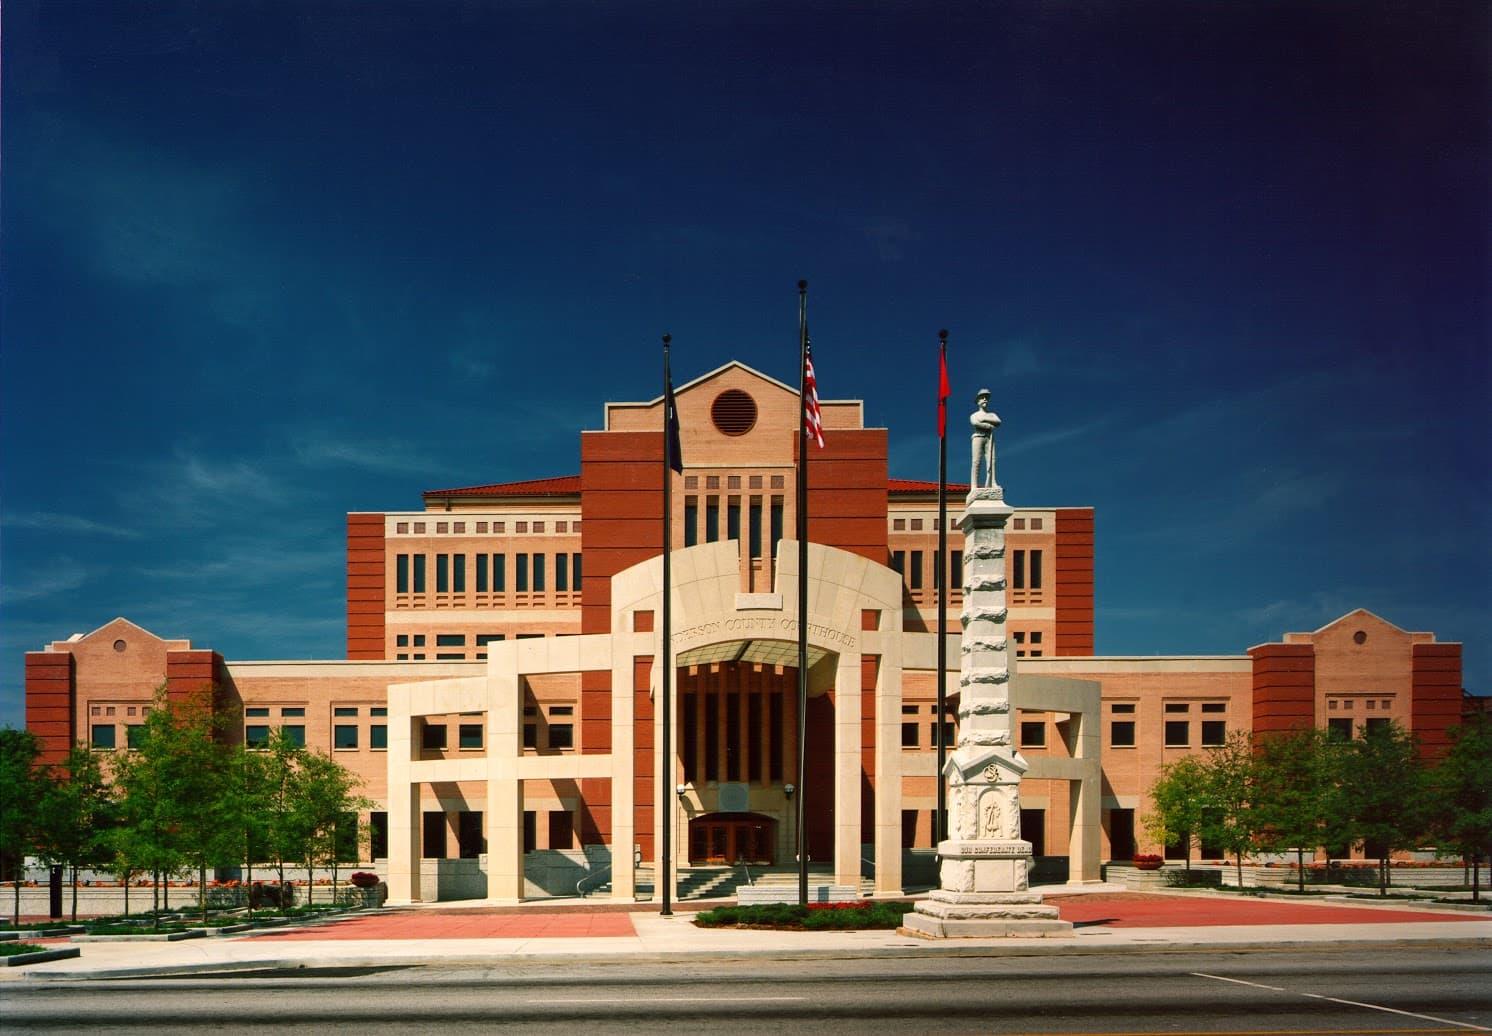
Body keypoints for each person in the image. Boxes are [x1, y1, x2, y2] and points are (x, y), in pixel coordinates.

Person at [969, 389, 1001, 488]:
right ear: (978, 401)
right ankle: (974, 485)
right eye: (982, 398)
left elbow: (998, 421)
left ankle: (992, 482)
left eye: (986, 398)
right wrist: (989, 426)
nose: (984, 400)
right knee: (976, 461)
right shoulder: (974, 415)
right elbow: (975, 423)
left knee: (991, 460)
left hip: (989, 438)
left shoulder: (991, 414)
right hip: (978, 437)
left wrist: (985, 419)